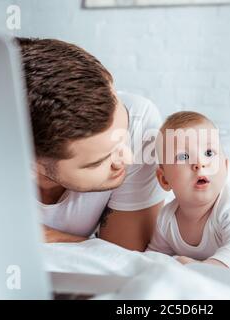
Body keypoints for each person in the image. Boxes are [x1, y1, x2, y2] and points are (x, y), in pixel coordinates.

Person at [17, 37, 166, 251]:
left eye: (122, 136)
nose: (128, 158)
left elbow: (124, 257)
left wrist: (49, 237)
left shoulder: (139, 119)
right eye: (99, 161)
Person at [147, 111, 230, 268]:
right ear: (165, 180)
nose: (199, 163)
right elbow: (153, 257)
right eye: (183, 157)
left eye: (208, 153)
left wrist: (204, 268)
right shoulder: (166, 220)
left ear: (225, 167)